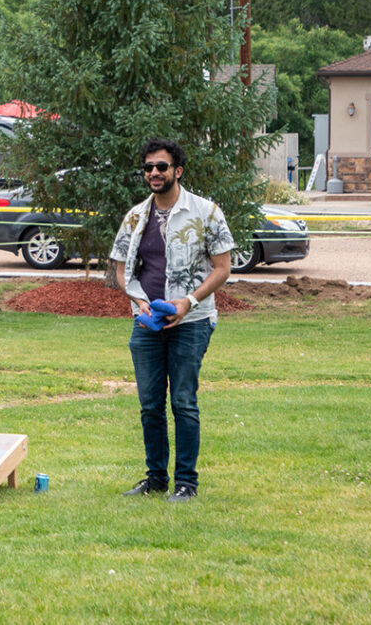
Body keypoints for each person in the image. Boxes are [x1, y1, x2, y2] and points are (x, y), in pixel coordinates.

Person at [109, 138, 235, 502]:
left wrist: (189, 301)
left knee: (183, 401)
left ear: (177, 171)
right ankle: (155, 479)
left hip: (192, 321)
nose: (153, 173)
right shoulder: (135, 216)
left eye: (161, 167)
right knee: (150, 404)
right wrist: (137, 301)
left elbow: (222, 268)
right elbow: (121, 270)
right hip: (147, 322)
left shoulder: (207, 212)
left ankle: (186, 483)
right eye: (148, 167)